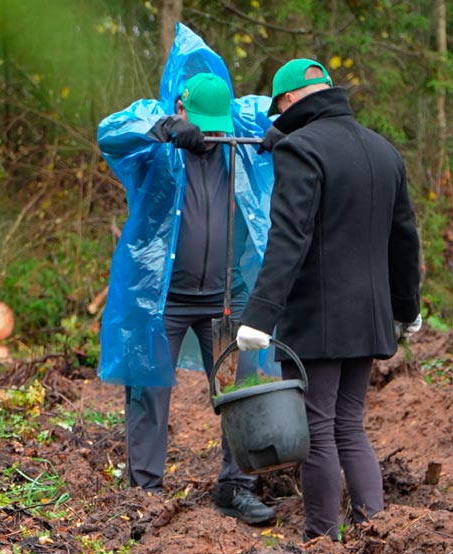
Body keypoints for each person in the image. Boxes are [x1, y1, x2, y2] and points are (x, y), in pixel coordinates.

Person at [96, 24, 277, 524]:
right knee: (149, 392)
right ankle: (145, 494)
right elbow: (109, 132)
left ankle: (237, 484)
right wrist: (165, 127)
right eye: (204, 124)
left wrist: (289, 126)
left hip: (229, 292)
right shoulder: (158, 141)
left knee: (245, 386)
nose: (214, 135)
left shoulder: (239, 126)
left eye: (218, 125)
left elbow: (289, 107)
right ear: (181, 106)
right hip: (165, 297)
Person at [236, 58, 422, 540]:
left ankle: (321, 540)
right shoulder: (384, 151)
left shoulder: (301, 150)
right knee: (349, 425)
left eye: (280, 110)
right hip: (370, 317)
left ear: (291, 101)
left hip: (320, 319)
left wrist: (259, 316)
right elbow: (404, 239)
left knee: (317, 427)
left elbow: (288, 238)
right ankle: (374, 535)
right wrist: (408, 307)